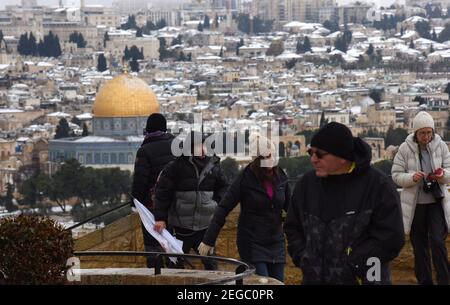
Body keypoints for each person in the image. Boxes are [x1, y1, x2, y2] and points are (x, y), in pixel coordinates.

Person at [284, 122, 404, 285]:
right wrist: (304, 258)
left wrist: (354, 264)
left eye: (319, 154)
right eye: (310, 153)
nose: (313, 159)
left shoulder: (377, 186)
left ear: (341, 157)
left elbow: (391, 238)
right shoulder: (306, 185)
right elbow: (292, 226)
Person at [198, 135, 290, 282]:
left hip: (275, 241)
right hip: (252, 241)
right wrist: (208, 240)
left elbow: (291, 208)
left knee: (278, 282)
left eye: (272, 155)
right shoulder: (245, 179)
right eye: (265, 156)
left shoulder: (280, 177)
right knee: (262, 283)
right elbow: (224, 208)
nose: (270, 159)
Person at [153, 131, 229, 270]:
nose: (203, 149)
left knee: (211, 265)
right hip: (181, 227)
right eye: (199, 146)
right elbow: (162, 193)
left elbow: (224, 187)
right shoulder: (175, 167)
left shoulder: (213, 167)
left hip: (205, 226)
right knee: (175, 266)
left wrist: (216, 203)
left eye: (204, 145)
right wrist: (160, 218)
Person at [392, 111, 450, 285]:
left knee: (438, 243)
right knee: (420, 247)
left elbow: (449, 171)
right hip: (415, 205)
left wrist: (442, 175)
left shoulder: (441, 146)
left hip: (435, 203)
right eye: (422, 133)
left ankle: (445, 280)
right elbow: (395, 175)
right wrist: (412, 178)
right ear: (415, 133)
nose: (426, 136)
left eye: (429, 132)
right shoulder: (404, 148)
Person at [131, 113, 175, 268]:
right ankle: (175, 272)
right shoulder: (178, 145)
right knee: (173, 243)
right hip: (176, 205)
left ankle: (156, 274)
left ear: (148, 130)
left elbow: (140, 181)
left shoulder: (145, 150)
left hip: (152, 207)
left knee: (153, 244)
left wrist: (134, 203)